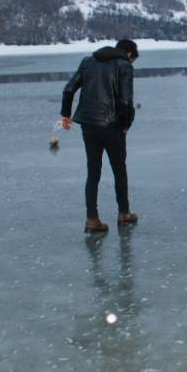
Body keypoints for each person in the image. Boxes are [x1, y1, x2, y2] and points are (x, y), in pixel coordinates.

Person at [60, 38, 139, 233]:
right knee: (119, 170)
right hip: (112, 126)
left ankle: (92, 219)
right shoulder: (124, 66)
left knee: (93, 172)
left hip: (88, 124)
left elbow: (69, 89)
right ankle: (124, 213)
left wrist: (66, 115)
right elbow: (126, 101)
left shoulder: (88, 62)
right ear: (129, 53)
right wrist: (126, 124)